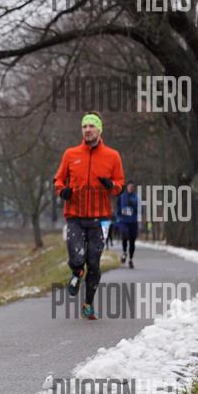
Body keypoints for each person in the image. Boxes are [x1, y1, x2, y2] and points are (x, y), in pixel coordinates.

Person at [54, 112, 124, 320]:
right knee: (77, 257)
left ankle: (88, 304)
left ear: (99, 130)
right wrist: (63, 192)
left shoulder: (113, 156)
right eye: (84, 126)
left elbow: (120, 185)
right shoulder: (70, 154)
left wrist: (111, 185)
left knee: (93, 262)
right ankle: (77, 272)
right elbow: (58, 180)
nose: (87, 130)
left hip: (100, 219)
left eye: (91, 126)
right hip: (74, 216)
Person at [117, 181, 139, 268]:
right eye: (129, 187)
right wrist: (118, 216)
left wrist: (134, 205)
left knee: (132, 241)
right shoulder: (122, 196)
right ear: (127, 187)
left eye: (132, 187)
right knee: (124, 236)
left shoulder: (136, 197)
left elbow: (140, 208)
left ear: (134, 188)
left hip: (133, 221)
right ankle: (124, 252)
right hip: (124, 221)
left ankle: (130, 260)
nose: (130, 188)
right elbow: (118, 207)